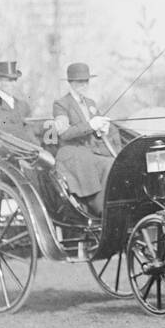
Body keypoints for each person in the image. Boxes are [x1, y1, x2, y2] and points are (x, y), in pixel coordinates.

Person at [52, 62, 116, 216]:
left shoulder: (91, 103)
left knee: (114, 163)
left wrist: (102, 128)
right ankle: (100, 208)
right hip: (71, 152)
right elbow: (64, 133)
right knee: (107, 164)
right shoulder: (61, 104)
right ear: (70, 83)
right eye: (79, 81)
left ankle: (109, 205)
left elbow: (95, 128)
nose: (83, 85)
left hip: (90, 149)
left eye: (86, 81)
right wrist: (91, 125)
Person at [0, 60, 42, 158]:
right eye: (8, 80)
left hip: (29, 158)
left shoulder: (23, 106)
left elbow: (31, 132)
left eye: (14, 80)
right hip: (5, 161)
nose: (12, 84)